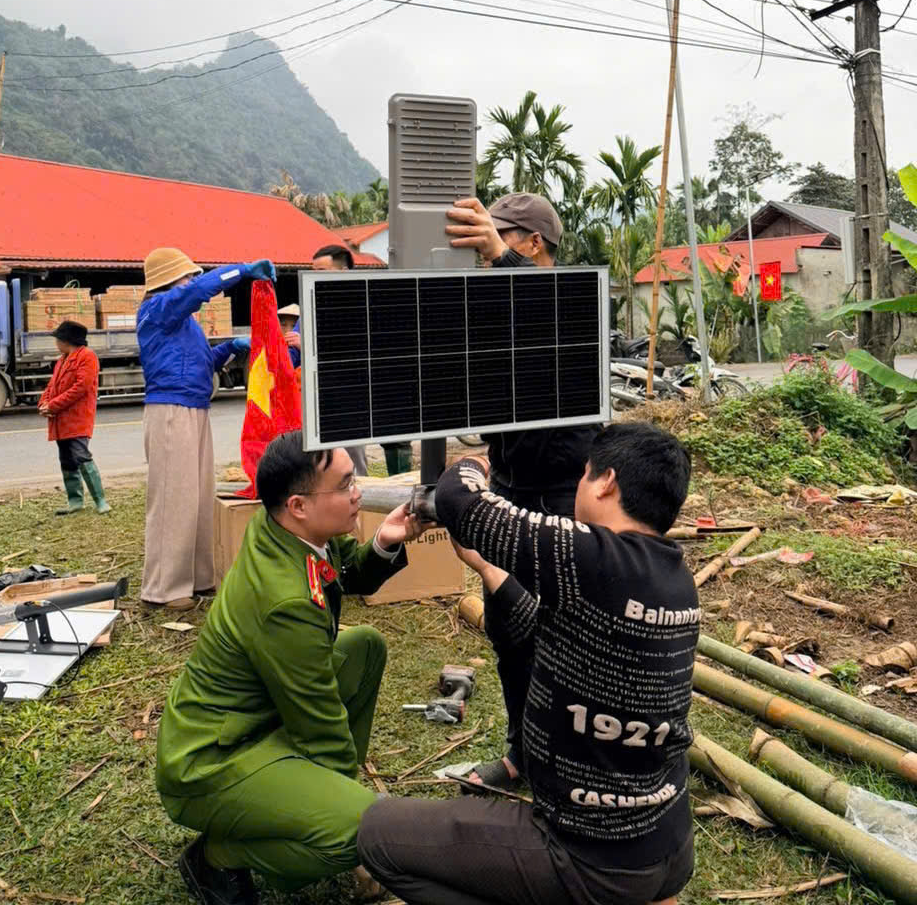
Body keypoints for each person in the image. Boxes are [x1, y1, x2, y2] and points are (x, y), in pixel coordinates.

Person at [358, 422, 698, 905]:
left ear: (606, 482)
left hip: (588, 856)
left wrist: (476, 462)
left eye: (584, 474)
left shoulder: (588, 554)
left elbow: (458, 499)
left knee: (378, 834)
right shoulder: (671, 578)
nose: (578, 485)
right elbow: (536, 633)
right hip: (666, 845)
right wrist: (484, 565)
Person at [155, 430, 425, 905]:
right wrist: (349, 810)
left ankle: (319, 800)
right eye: (345, 485)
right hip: (210, 760)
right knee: (366, 834)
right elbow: (319, 723)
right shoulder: (286, 601)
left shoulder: (286, 529)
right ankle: (217, 856)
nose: (358, 492)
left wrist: (385, 540)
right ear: (298, 505)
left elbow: (345, 572)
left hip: (253, 724)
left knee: (363, 648)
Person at [444, 192, 602, 790]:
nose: (490, 247)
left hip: (562, 492)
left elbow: (545, 312)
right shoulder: (493, 304)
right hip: (510, 485)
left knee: (562, 628)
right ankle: (523, 753)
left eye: (503, 235)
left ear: (534, 244)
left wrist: (499, 257)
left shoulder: (574, 302)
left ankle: (571, 755)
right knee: (507, 623)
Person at [137, 247, 274, 610]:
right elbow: (199, 290)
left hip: (194, 408)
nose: (193, 281)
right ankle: (164, 588)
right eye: (187, 276)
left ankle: (197, 578)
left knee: (197, 496)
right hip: (171, 409)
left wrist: (230, 347)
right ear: (170, 280)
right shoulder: (159, 308)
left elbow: (203, 362)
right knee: (173, 499)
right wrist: (242, 270)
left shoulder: (182, 322)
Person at [286, 243, 373, 476]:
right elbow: (292, 352)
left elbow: (357, 353)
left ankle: (359, 495)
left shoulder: (361, 306)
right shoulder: (310, 307)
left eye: (321, 271)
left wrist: (308, 347)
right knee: (319, 460)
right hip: (317, 397)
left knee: (352, 458)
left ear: (343, 272)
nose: (314, 277)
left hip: (350, 395)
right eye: (313, 271)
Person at [38, 319, 110, 516]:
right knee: (67, 460)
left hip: (77, 418)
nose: (56, 343)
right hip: (60, 419)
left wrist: (53, 405)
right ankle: (75, 501)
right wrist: (43, 403)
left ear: (66, 340)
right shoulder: (62, 360)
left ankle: (101, 501)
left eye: (58, 339)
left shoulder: (87, 357)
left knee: (81, 455)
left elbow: (80, 388)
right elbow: (52, 386)